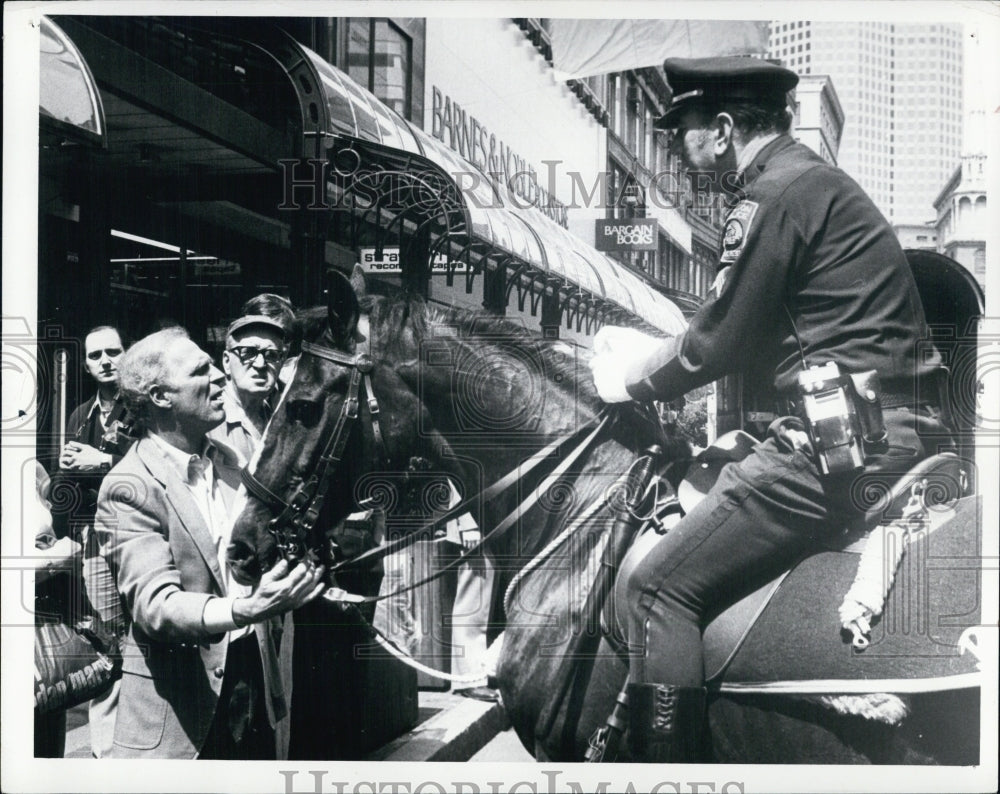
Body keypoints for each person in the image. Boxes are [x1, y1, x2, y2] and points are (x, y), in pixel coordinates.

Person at [589, 57, 952, 763]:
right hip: (890, 431)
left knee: (658, 589)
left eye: (683, 130)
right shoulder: (814, 183)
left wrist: (628, 377)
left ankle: (668, 774)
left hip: (838, 447)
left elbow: (717, 343)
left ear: (722, 131)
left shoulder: (773, 196)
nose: (676, 147)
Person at [94, 327, 325, 758]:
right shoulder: (129, 486)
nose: (221, 376)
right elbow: (155, 606)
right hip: (183, 720)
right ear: (161, 397)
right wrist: (243, 610)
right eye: (202, 371)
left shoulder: (233, 462)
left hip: (252, 686)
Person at [54, 325, 135, 757]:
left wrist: (102, 460)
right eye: (95, 355)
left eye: (113, 352)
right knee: (107, 641)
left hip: (139, 538)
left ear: (127, 353)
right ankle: (107, 748)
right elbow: (69, 483)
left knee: (144, 634)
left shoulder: (142, 406)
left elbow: (157, 465)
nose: (105, 361)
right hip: (95, 543)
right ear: (85, 364)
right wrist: (68, 469)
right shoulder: (81, 414)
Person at [207, 315, 286, 466]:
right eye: (248, 353)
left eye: (271, 355)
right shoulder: (208, 420)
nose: (260, 364)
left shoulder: (279, 418)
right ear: (226, 361)